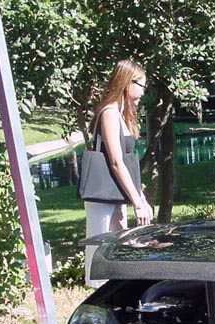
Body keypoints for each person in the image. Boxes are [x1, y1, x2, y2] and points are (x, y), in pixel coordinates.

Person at [84, 59, 152, 287]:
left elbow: (127, 164)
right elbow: (115, 162)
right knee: (101, 253)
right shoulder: (110, 113)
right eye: (142, 85)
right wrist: (138, 202)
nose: (144, 91)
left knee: (119, 246)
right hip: (103, 195)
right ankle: (99, 298)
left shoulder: (122, 115)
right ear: (127, 82)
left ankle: (115, 293)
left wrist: (140, 197)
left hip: (115, 194)